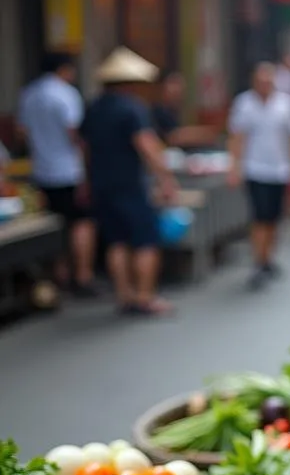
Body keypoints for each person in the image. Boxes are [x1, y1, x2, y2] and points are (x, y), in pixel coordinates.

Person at [79, 48, 178, 316]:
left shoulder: (93, 107)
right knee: (145, 241)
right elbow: (147, 145)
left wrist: (86, 180)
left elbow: (84, 148)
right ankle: (145, 297)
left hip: (101, 184)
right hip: (130, 185)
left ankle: (125, 295)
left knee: (116, 242)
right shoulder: (133, 108)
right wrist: (165, 179)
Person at [17, 51, 96, 296]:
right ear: (64, 69)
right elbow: (75, 134)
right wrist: (87, 167)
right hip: (69, 170)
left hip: (41, 169)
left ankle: (59, 275)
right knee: (81, 223)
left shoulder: (28, 94)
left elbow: (22, 132)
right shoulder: (66, 94)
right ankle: (82, 276)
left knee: (54, 225)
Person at [228, 61, 290, 290]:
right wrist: (235, 166)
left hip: (280, 169)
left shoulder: (286, 104)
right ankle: (258, 261)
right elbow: (237, 137)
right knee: (259, 217)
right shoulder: (244, 104)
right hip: (255, 168)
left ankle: (268, 257)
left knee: (273, 218)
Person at [152, 70, 219, 148]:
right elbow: (172, 137)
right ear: (162, 86)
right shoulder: (158, 111)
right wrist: (202, 133)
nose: (178, 89)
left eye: (180, 84)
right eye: (174, 84)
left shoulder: (176, 111)